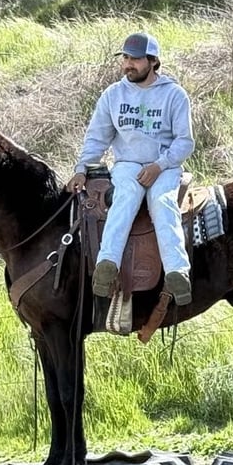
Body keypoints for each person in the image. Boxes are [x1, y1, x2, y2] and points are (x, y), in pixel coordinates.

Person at [67, 32, 195, 305]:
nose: (128, 64)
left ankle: (177, 272)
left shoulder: (174, 95)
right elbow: (97, 138)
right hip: (127, 165)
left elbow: (185, 142)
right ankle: (107, 265)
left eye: (135, 59)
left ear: (153, 61)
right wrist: (81, 168)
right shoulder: (113, 95)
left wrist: (159, 166)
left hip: (165, 166)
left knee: (162, 202)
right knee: (124, 198)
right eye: (125, 58)